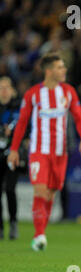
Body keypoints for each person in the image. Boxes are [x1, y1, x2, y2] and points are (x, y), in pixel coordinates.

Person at [7, 52, 81, 250]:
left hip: (60, 153)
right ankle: (39, 235)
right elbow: (21, 124)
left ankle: (40, 233)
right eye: (60, 67)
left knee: (50, 194)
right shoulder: (33, 94)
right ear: (49, 71)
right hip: (39, 151)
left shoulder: (68, 92)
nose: (64, 70)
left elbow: (79, 117)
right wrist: (14, 149)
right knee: (41, 190)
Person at [0, 77, 21, 240]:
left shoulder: (18, 107)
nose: (4, 90)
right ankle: (0, 227)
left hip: (13, 154)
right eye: (1, 87)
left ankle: (13, 222)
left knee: (10, 189)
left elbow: (26, 127)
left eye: (7, 87)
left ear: (12, 89)